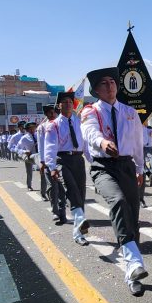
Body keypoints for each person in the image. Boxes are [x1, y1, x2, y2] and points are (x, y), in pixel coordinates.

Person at [81, 67, 148, 297]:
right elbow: (89, 132)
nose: (110, 86)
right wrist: (102, 143)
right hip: (103, 166)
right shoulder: (91, 111)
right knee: (118, 202)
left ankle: (133, 271)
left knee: (133, 216)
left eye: (112, 82)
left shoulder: (130, 112)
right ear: (96, 90)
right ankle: (133, 260)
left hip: (127, 166)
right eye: (104, 84)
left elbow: (138, 142)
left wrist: (140, 168)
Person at [44, 92, 89, 246]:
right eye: (64, 102)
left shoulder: (79, 122)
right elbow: (49, 147)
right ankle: (80, 219)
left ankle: (78, 234)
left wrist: (93, 161)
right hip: (62, 160)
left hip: (78, 159)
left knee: (81, 194)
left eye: (70, 101)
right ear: (59, 106)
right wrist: (52, 167)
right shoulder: (53, 125)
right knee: (71, 189)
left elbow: (85, 144)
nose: (68, 104)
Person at [38, 104, 67, 217]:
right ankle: (55, 211)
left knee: (61, 187)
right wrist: (42, 161)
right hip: (48, 161)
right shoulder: (42, 127)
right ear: (46, 114)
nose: (53, 114)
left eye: (54, 112)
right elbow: (41, 145)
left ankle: (62, 211)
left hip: (60, 160)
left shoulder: (61, 124)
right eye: (50, 112)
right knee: (52, 187)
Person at [16, 123, 39, 191]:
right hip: (30, 156)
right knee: (29, 172)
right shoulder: (24, 138)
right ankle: (29, 185)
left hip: (39, 156)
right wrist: (25, 151)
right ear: (27, 129)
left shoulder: (38, 135)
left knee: (43, 172)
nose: (32, 129)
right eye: (30, 128)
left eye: (34, 127)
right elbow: (17, 148)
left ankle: (44, 188)